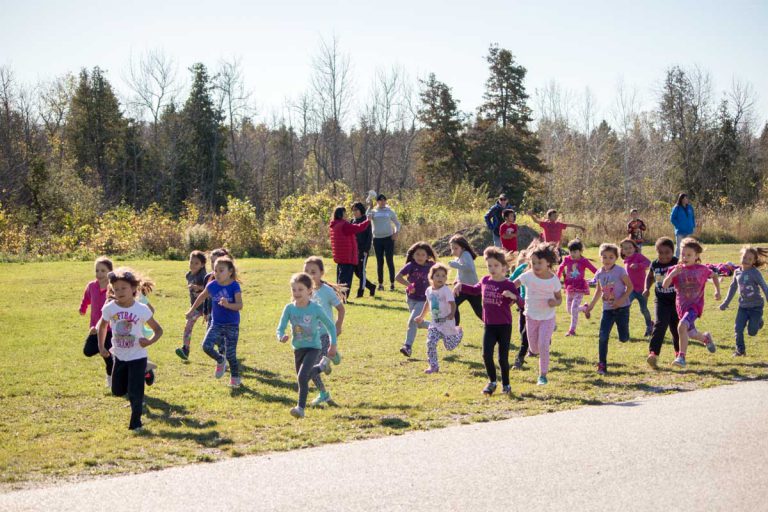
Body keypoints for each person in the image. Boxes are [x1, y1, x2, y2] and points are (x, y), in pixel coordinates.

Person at [97, 268, 163, 432]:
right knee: (117, 390)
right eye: (116, 289)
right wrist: (101, 346)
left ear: (133, 289)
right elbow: (103, 326)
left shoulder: (141, 309)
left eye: (123, 288)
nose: (119, 292)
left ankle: (136, 423)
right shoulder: (110, 308)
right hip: (119, 356)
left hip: (138, 356)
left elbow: (158, 330)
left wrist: (148, 342)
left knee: (135, 392)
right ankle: (147, 372)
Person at [455, 246, 522, 396]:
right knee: (486, 355)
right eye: (489, 265)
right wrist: (461, 285)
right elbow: (474, 290)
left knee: (502, 358)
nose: (492, 268)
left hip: (504, 326)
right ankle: (492, 382)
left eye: (496, 265)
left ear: (504, 267)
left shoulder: (508, 284)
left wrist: (513, 296)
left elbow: (522, 302)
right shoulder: (485, 280)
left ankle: (506, 385)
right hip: (489, 325)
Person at [276, 272, 336, 419]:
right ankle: (322, 367)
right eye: (294, 289)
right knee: (302, 379)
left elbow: (331, 326)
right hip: (298, 348)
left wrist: (333, 344)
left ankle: (300, 409)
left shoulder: (315, 308)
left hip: (314, 348)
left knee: (303, 377)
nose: (296, 293)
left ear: (310, 290)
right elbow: (280, 328)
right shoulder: (289, 309)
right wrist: (281, 337)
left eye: (300, 289)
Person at [662, 238, 721, 368]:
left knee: (681, 326)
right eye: (683, 254)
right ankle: (706, 339)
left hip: (695, 307)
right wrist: (672, 274)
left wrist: (717, 291)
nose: (685, 257)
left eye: (689, 255)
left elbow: (715, 276)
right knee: (691, 333)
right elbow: (665, 286)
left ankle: (681, 357)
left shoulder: (702, 269)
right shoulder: (675, 269)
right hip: (681, 307)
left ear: (696, 256)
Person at [186, 256, 243, 387]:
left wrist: (228, 304)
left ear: (230, 272)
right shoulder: (212, 285)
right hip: (216, 324)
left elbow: (240, 305)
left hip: (232, 325)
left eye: (221, 270)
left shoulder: (234, 286)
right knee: (206, 346)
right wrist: (191, 310)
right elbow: (201, 297)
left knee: (231, 354)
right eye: (215, 270)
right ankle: (220, 359)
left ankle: (235, 378)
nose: (217, 273)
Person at [512, 243, 562, 385]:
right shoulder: (527, 276)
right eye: (533, 263)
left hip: (547, 317)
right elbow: (512, 285)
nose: (536, 265)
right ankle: (537, 346)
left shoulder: (554, 280)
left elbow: (559, 298)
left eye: (539, 263)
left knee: (543, 345)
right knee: (533, 348)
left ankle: (543, 375)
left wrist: (555, 302)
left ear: (548, 263)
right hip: (531, 316)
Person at [583, 243, 634, 375]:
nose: (607, 260)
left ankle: (624, 334)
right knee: (603, 336)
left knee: (623, 337)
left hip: (622, 309)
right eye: (604, 257)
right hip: (607, 310)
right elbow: (599, 291)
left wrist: (620, 301)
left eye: (611, 257)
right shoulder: (599, 273)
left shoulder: (620, 271)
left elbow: (630, 287)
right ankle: (602, 364)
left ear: (616, 258)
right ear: (600, 258)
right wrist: (591, 307)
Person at [303, 256, 345, 406]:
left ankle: (330, 356)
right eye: (306, 272)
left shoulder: (327, 291)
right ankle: (323, 394)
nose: (309, 275)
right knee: (311, 367)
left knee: (312, 367)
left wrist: (338, 325)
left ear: (321, 273)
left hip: (326, 334)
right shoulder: (304, 290)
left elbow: (340, 309)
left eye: (313, 272)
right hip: (310, 336)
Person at [719, 246, 768, 357]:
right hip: (743, 307)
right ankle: (740, 350)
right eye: (745, 257)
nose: (746, 260)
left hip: (756, 307)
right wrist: (725, 303)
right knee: (738, 328)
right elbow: (732, 288)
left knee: (752, 332)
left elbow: (764, 286)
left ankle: (759, 321)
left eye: (749, 259)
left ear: (753, 261)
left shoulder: (755, 273)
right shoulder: (737, 272)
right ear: (741, 256)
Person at [414, 263, 464, 374]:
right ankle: (433, 366)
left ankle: (458, 332)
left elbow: (453, 304)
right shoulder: (429, 290)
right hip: (435, 324)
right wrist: (421, 316)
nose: (440, 278)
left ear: (446, 278)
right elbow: (427, 303)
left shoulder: (446, 290)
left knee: (450, 346)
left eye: (443, 276)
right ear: (431, 277)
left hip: (447, 323)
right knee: (430, 342)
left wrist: (451, 314)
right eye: (437, 275)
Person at [643, 237, 681, 369]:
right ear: (656, 252)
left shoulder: (677, 263)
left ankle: (679, 354)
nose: (664, 256)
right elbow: (650, 277)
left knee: (676, 328)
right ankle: (653, 353)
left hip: (677, 301)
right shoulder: (655, 264)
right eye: (661, 253)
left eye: (667, 252)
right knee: (660, 325)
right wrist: (646, 288)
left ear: (673, 252)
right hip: (661, 300)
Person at [396, 242, 437, 357]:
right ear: (413, 255)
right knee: (418, 323)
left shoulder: (432, 266)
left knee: (413, 320)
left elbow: (441, 275)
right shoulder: (410, 265)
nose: (420, 257)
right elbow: (397, 277)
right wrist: (409, 285)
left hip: (424, 300)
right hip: (411, 299)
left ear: (427, 256)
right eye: (417, 254)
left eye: (423, 254)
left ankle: (407, 346)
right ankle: (440, 329)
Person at [80, 256, 114, 386]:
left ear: (110, 272)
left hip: (110, 328)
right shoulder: (91, 286)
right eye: (97, 270)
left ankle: (111, 380)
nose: (99, 274)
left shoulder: (113, 289)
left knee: (108, 357)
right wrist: (82, 308)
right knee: (88, 351)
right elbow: (86, 299)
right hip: (94, 328)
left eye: (103, 271)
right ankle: (111, 358)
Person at [557, 239, 597, 336]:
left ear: (580, 251)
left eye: (575, 252)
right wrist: (557, 278)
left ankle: (572, 330)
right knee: (569, 310)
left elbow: (594, 270)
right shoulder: (567, 259)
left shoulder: (584, 261)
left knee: (574, 308)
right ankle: (584, 308)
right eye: (571, 252)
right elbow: (561, 267)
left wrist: (600, 276)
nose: (572, 254)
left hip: (580, 287)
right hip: (569, 286)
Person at [329, 206, 371, 299]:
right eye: (345, 213)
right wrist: (368, 221)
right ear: (341, 214)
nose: (346, 215)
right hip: (347, 256)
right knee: (346, 279)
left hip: (340, 256)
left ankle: (339, 297)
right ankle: (343, 298)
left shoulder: (334, 224)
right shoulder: (344, 225)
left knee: (340, 278)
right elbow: (358, 228)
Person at [176, 250, 207, 360]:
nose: (192, 265)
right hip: (195, 307)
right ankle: (185, 349)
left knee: (213, 330)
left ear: (202, 264)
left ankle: (222, 350)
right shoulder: (188, 275)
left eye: (196, 263)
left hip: (208, 307)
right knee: (188, 326)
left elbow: (210, 289)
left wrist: (198, 288)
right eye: (191, 262)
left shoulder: (204, 276)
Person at [368, 194, 401, 291]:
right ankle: (381, 284)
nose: (382, 202)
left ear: (386, 201)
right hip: (377, 239)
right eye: (380, 200)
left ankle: (392, 283)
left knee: (389, 261)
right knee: (379, 262)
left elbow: (397, 224)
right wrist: (369, 207)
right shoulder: (373, 211)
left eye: (384, 200)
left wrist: (396, 232)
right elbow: (367, 218)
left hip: (388, 239)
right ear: (377, 201)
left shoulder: (389, 211)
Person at [620, 238, 653, 337]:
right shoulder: (625, 260)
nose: (628, 250)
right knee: (625, 308)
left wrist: (638, 265)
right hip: (630, 290)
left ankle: (649, 326)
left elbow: (649, 263)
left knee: (643, 309)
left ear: (635, 248)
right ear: (622, 251)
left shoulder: (638, 256)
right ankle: (624, 330)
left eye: (630, 247)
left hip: (642, 289)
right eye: (625, 248)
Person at [448, 235, 483, 326]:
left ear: (462, 248)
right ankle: (455, 327)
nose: (453, 251)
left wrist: (456, 265)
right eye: (452, 248)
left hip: (472, 289)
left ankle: (492, 325)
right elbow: (461, 272)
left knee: (479, 311)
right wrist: (456, 280)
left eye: (456, 248)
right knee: (452, 305)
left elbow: (469, 268)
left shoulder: (466, 254)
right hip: (461, 288)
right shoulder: (459, 257)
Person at [508, 248, 530, 370]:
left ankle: (520, 358)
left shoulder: (540, 270)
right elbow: (511, 281)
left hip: (537, 307)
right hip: (523, 304)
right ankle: (527, 347)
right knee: (522, 328)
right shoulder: (521, 269)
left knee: (526, 331)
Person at [350, 202, 377, 298]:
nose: (354, 212)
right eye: (353, 210)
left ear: (361, 210)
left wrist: (366, 250)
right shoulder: (352, 221)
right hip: (353, 251)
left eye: (356, 210)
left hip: (363, 251)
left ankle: (360, 293)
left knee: (361, 271)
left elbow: (369, 236)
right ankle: (371, 286)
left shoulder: (366, 221)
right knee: (356, 272)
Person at [670, 193, 695, 258]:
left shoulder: (690, 207)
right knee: (679, 247)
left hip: (689, 230)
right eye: (684, 198)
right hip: (680, 231)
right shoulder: (676, 208)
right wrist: (678, 226)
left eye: (687, 198)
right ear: (681, 199)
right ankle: (676, 261)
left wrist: (693, 226)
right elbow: (672, 218)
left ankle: (686, 260)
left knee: (688, 247)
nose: (686, 200)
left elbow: (692, 217)